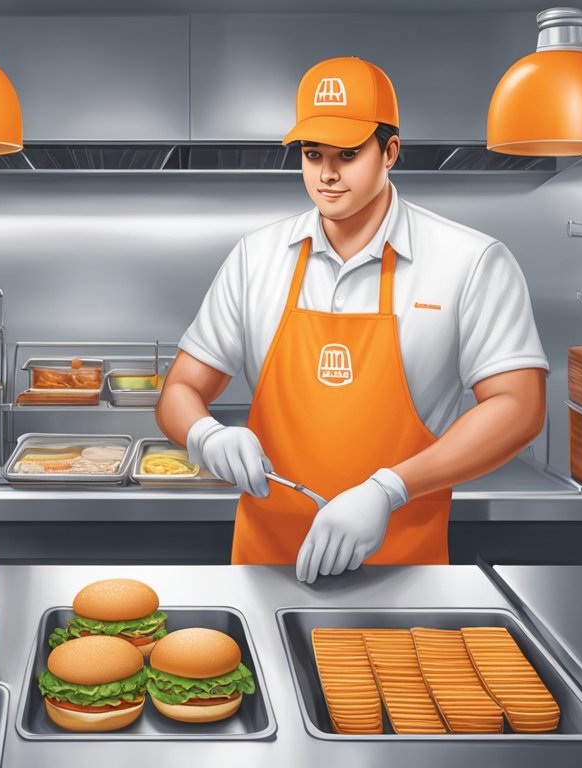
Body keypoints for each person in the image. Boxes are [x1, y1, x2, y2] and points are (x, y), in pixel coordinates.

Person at [155, 57, 549, 583]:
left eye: (348, 153)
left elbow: (519, 407)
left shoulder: (470, 260)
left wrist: (388, 490)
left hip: (404, 572)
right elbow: (180, 389)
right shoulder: (257, 257)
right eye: (312, 154)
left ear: (390, 152)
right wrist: (207, 435)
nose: (327, 174)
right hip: (263, 568)